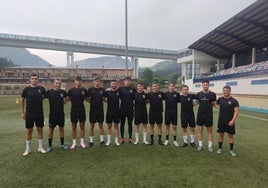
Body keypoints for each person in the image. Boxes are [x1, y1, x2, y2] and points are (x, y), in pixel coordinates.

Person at [20, 73, 46, 156]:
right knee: (29, 131)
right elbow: (22, 100)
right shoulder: (26, 89)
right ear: (30, 80)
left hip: (39, 113)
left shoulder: (41, 89)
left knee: (40, 130)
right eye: (32, 78)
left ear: (37, 80)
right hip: (29, 114)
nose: (34, 80)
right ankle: (28, 149)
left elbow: (44, 97)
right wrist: (22, 112)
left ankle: (40, 147)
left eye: (35, 78)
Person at [45, 79, 68, 152]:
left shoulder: (63, 92)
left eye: (59, 83)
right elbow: (42, 97)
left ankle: (62, 144)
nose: (58, 84)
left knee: (61, 129)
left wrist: (65, 101)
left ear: (61, 84)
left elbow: (67, 97)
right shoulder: (49, 92)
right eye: (56, 83)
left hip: (61, 114)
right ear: (53, 84)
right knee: (51, 130)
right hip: (52, 115)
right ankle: (49, 146)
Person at [216, 86, 239, 157]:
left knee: (230, 136)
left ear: (230, 91)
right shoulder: (220, 99)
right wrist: (219, 107)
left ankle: (231, 150)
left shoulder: (234, 101)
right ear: (223, 91)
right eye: (224, 90)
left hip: (230, 122)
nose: (226, 92)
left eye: (227, 90)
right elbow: (216, 104)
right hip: (221, 121)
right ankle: (220, 148)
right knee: (220, 135)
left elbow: (236, 112)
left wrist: (233, 120)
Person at [67, 75, 89, 149]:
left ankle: (82, 143)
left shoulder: (84, 90)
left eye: (79, 81)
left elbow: (87, 99)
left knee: (82, 126)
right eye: (77, 81)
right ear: (74, 82)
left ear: (81, 82)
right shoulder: (71, 91)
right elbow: (68, 99)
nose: (78, 82)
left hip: (82, 110)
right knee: (74, 127)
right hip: (74, 111)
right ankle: (74, 143)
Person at [196, 80, 217, 152]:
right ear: (202, 85)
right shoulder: (198, 94)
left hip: (209, 115)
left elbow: (215, 104)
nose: (205, 86)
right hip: (200, 115)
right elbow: (196, 103)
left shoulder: (213, 94)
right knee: (200, 131)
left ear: (208, 85)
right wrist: (187, 106)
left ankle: (210, 146)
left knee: (210, 131)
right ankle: (200, 145)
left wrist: (222, 108)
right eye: (204, 84)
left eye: (206, 84)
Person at [88, 77, 106, 147]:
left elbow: (104, 98)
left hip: (100, 111)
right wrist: (92, 103)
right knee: (92, 126)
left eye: (98, 81)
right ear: (93, 82)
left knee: (101, 126)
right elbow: (87, 98)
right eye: (96, 81)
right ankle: (91, 141)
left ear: (100, 82)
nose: (97, 82)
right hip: (93, 111)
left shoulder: (102, 90)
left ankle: (102, 141)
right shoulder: (90, 89)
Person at [118, 76, 135, 144]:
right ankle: (122, 138)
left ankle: (130, 138)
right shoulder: (120, 89)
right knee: (122, 124)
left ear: (130, 81)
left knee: (130, 124)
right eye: (126, 81)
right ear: (124, 81)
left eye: (128, 81)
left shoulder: (133, 89)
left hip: (130, 109)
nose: (127, 82)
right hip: (122, 109)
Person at [164, 82, 180, 146]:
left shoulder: (177, 94)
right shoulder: (165, 94)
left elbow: (181, 101)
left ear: (174, 87)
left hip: (174, 113)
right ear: (168, 87)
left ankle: (174, 140)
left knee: (174, 127)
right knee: (167, 127)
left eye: (173, 86)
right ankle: (167, 140)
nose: (171, 87)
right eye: (170, 86)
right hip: (167, 113)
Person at [105, 80, 120, 146]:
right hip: (109, 111)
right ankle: (108, 141)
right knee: (109, 126)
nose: (113, 85)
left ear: (116, 84)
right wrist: (106, 101)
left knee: (116, 126)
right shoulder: (107, 91)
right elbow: (102, 97)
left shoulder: (119, 92)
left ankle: (116, 141)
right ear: (110, 84)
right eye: (112, 83)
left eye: (115, 83)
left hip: (117, 111)